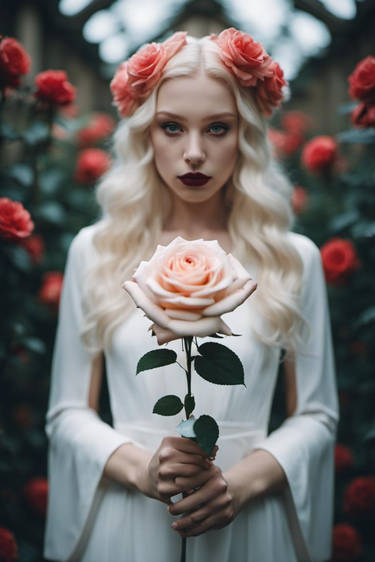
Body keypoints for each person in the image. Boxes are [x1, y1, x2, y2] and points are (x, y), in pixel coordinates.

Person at [43, 28, 338, 562]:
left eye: (218, 128)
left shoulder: (293, 259)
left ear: (245, 135)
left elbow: (316, 415)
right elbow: (67, 412)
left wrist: (240, 484)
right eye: (172, 127)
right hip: (127, 526)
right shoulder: (98, 251)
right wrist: (140, 468)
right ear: (145, 134)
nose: (195, 153)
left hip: (251, 525)